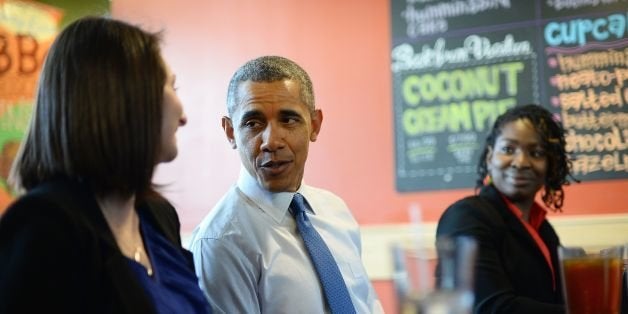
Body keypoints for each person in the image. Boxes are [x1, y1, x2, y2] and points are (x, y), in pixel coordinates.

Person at [0, 17, 211, 313]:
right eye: (172, 87)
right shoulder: (44, 227)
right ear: (129, 98)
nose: (184, 115)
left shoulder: (158, 216)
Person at [189, 55, 383, 313]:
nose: (271, 141)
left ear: (314, 125)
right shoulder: (220, 242)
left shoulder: (336, 211)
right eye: (253, 123)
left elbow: (366, 304)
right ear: (230, 132)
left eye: (288, 120)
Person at [436, 104, 577, 313]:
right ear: (490, 157)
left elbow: (561, 299)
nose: (520, 162)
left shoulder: (544, 230)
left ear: (550, 166)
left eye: (536, 153)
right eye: (508, 149)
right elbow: (491, 308)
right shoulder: (466, 217)